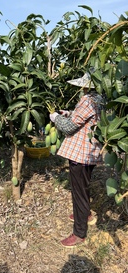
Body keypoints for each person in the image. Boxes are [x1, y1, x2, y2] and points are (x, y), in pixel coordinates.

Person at [50, 72, 104, 248]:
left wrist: (56, 118)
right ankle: (85, 213)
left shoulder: (87, 100)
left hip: (80, 154)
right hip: (91, 151)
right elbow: (82, 117)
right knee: (84, 186)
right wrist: (67, 112)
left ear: (88, 85)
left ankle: (79, 233)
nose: (81, 88)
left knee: (78, 191)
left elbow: (68, 127)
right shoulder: (99, 99)